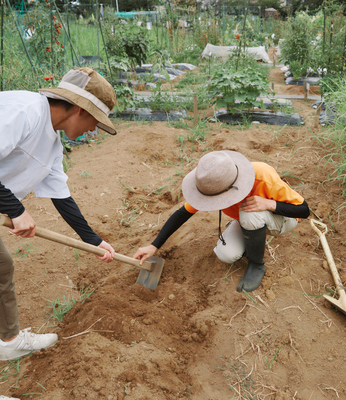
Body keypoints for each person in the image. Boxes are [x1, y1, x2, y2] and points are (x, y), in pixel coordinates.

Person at [0, 67, 117, 365]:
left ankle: (8, 341)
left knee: (1, 266)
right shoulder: (24, 112)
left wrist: (94, 241)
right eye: (94, 121)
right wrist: (16, 210)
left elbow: (60, 195)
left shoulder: (51, 142)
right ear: (79, 110)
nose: (93, 130)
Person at [133, 150, 310, 293]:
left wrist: (269, 204)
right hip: (247, 217)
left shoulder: (262, 176)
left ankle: (256, 264)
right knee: (226, 254)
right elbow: (182, 214)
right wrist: (154, 245)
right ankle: (251, 232)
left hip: (283, 218)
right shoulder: (212, 184)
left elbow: (303, 210)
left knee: (249, 215)